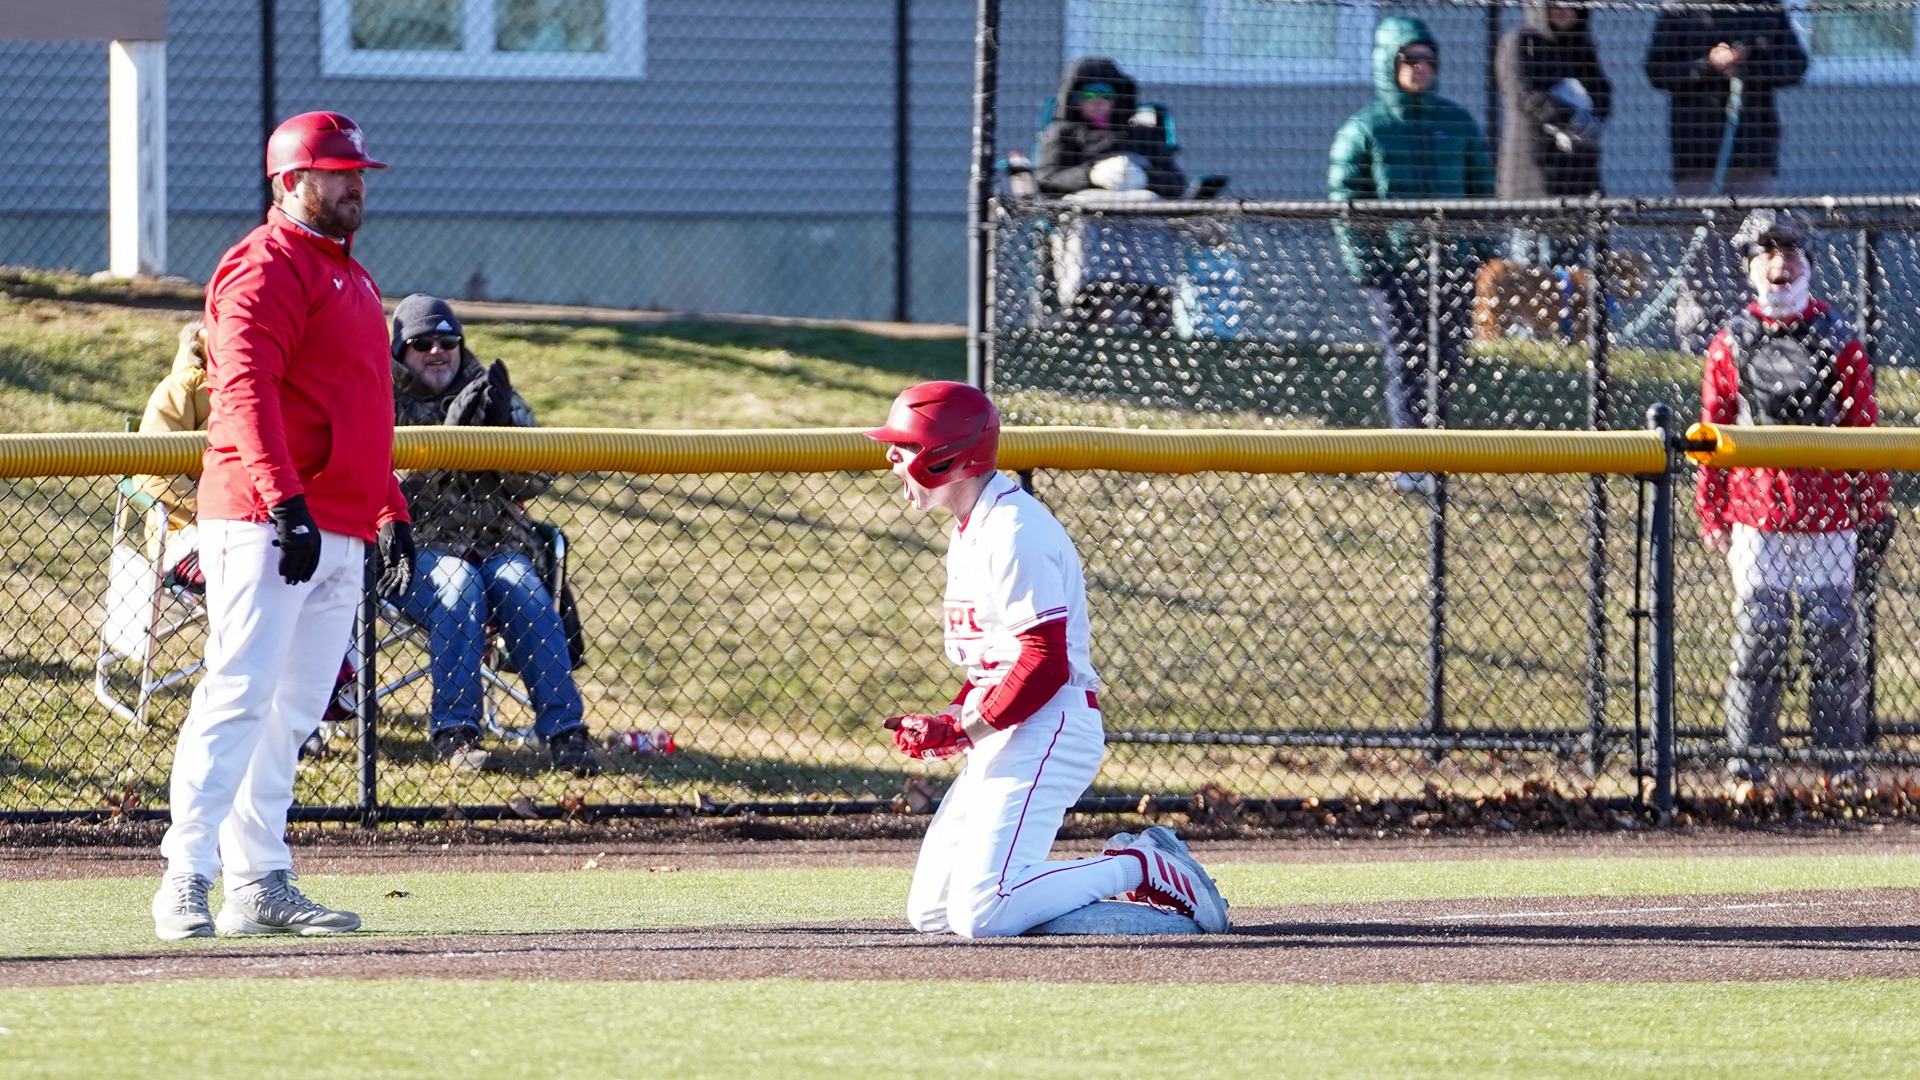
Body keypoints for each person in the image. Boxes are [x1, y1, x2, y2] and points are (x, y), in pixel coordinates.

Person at [152, 111, 415, 941]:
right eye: (337, 170)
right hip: (269, 517)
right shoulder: (263, 266)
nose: (354, 182)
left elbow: (365, 408)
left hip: (336, 519)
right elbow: (243, 393)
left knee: (295, 707)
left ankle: (259, 878)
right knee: (239, 693)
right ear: (289, 182)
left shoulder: (354, 276)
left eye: (359, 169)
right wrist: (285, 500)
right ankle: (185, 875)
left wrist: (390, 508)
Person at [866, 381, 1230, 938]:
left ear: (948, 457)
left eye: (906, 446)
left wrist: (962, 729)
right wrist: (951, 722)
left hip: (1050, 726)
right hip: (1015, 724)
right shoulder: (974, 529)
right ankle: (1109, 899)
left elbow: (1044, 662)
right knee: (936, 913)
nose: (891, 457)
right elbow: (997, 662)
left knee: (984, 913)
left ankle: (1141, 866)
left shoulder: (1014, 531)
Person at [1695, 210, 1888, 792]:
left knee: (1835, 639)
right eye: (1769, 253)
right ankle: (1746, 770)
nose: (1783, 264)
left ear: (1808, 262)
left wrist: (1873, 509)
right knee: (1761, 636)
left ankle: (1841, 768)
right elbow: (1712, 427)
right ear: (1751, 266)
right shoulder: (1730, 343)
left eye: (1793, 252)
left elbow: (1864, 427)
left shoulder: (1839, 340)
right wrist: (1713, 513)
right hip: (1758, 515)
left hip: (1829, 516)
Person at [388, 293, 599, 777]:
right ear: (401, 350)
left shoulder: (488, 390)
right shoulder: (379, 396)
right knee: (458, 585)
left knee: (522, 586)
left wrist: (500, 433)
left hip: (498, 544)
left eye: (448, 340)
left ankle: (566, 734)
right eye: (423, 343)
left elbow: (541, 476)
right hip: (413, 551)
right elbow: (374, 483)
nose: (437, 351)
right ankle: (456, 735)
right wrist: (449, 443)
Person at [1330, 16, 1494, 492]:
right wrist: (1371, 265)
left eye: (1428, 59)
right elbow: (1347, 200)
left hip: (1454, 264)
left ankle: (1434, 450)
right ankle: (1409, 458)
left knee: (1447, 358)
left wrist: (1481, 252)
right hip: (1395, 267)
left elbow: (1482, 191)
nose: (1420, 68)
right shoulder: (1365, 129)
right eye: (1410, 58)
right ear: (1389, 63)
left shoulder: (1456, 122)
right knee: (1406, 357)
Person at [1645, 0, 1808, 351]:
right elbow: (1657, 70)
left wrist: (1745, 68)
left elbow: (1795, 65)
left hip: (1754, 155)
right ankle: (1699, 342)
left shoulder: (1766, 10)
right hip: (1697, 158)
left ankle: (1758, 335)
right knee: (1701, 252)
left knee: (1759, 247)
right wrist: (1708, 65)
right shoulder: (1679, 10)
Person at [1034, 57, 1190, 332]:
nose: (1097, 102)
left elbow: (1175, 183)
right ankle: (1084, 303)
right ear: (1075, 98)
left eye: (1105, 95)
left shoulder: (1144, 136)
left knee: (1150, 208)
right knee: (1087, 213)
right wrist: (1090, 175)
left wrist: (1143, 177)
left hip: (1139, 214)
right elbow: (1047, 179)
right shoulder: (1062, 135)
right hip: (1088, 213)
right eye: (1089, 95)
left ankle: (1155, 303)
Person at [1497, 1, 1612, 249]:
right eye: (1554, 4)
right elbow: (1524, 95)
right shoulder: (1520, 43)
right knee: (1533, 277)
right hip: (1532, 186)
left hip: (1581, 185)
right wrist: (1569, 115)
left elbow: (1603, 96)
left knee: (1581, 277)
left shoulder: (1583, 48)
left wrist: (1589, 119)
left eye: (1571, 5)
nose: (1563, 10)